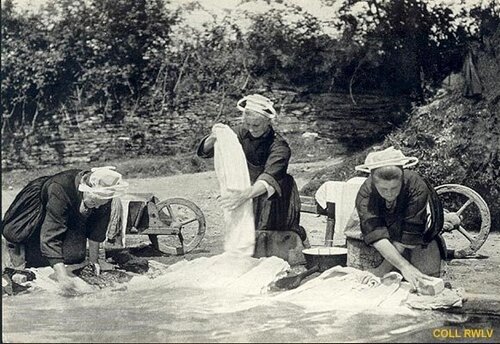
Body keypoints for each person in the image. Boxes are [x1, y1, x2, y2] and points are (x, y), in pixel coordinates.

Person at [197, 94, 308, 247]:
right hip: (247, 190)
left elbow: (269, 177)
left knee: (272, 235)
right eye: (247, 124)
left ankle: (298, 241)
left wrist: (244, 195)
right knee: (245, 235)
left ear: (268, 122)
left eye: (256, 125)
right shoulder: (241, 132)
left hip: (274, 195)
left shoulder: (279, 146)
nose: (250, 128)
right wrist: (216, 136)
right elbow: (205, 151)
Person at [2, 166, 128, 293]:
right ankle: (25, 248)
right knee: (37, 257)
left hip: (69, 204)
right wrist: (62, 276)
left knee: (75, 257)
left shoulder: (104, 194)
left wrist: (94, 261)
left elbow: (98, 227)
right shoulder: (61, 188)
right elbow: (51, 234)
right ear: (86, 190)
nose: (98, 206)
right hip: (37, 210)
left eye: (101, 203)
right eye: (95, 201)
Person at [354, 147, 445, 291]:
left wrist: (404, 268)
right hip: (387, 234)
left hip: (418, 235)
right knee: (387, 282)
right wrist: (388, 269)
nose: (389, 194)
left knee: (425, 279)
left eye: (394, 188)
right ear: (374, 182)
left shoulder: (416, 186)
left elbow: (409, 235)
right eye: (383, 189)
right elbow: (375, 233)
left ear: (402, 178)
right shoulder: (365, 194)